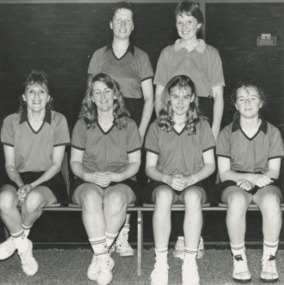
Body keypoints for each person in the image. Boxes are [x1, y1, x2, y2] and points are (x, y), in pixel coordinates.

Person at [154, 0, 225, 258]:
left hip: (202, 114)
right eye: (180, 22)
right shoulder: (167, 53)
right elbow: (160, 92)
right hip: (172, 115)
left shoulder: (211, 53)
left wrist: (214, 131)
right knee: (173, 174)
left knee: (197, 177)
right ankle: (178, 237)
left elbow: (218, 95)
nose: (184, 26)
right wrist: (163, 127)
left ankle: (193, 237)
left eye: (189, 21)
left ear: (199, 25)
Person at [88, 1, 154, 256]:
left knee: (129, 176)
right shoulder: (98, 56)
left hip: (133, 121)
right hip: (105, 120)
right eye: (119, 19)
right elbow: (91, 96)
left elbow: (149, 98)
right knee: (106, 173)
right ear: (111, 24)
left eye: (128, 20)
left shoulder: (141, 57)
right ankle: (105, 235)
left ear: (133, 26)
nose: (123, 24)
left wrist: (140, 131)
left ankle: (122, 235)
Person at [70, 73, 141, 284]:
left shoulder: (128, 124)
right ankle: (103, 257)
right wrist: (88, 175)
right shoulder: (82, 124)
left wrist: (116, 176)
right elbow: (75, 162)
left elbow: (135, 163)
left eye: (107, 91)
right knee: (91, 198)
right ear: (90, 97)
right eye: (97, 92)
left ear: (116, 95)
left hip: (121, 178)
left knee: (116, 200)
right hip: (88, 179)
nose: (102, 97)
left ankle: (99, 255)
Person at [144, 75, 215, 285]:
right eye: (175, 96)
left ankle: (190, 263)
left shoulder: (202, 125)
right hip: (163, 181)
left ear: (193, 97)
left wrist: (192, 178)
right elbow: (149, 167)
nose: (180, 102)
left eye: (186, 96)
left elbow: (210, 165)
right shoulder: (157, 126)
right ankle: (160, 263)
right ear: (168, 97)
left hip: (195, 181)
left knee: (193, 197)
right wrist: (166, 178)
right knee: (164, 196)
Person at [0, 70, 70, 275]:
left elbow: (57, 165)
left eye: (42, 91)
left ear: (49, 98)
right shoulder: (10, 121)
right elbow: (10, 165)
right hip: (18, 177)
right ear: (23, 96)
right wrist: (21, 184)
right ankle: (24, 248)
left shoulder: (59, 120)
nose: (36, 96)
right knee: (4, 201)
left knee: (31, 201)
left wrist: (31, 186)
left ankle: (14, 240)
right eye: (31, 91)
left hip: (48, 178)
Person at [216, 81, 283, 283]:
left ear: (261, 103)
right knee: (237, 201)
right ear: (235, 105)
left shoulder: (273, 132)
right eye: (241, 99)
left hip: (265, 181)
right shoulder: (226, 133)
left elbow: (274, 171)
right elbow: (224, 172)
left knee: (272, 202)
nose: (247, 103)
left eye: (252, 98)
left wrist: (253, 182)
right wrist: (246, 179)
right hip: (234, 182)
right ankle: (239, 258)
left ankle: (269, 259)